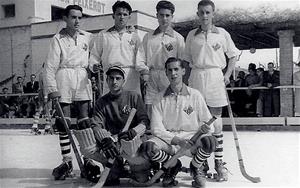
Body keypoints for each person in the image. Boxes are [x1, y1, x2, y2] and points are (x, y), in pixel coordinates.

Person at [183, 0, 240, 181]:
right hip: (196, 76)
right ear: (198, 14)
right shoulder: (192, 35)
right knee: (199, 123)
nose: (205, 16)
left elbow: (233, 55)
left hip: (216, 76)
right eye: (202, 12)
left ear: (213, 13)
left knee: (216, 122)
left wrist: (228, 74)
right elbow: (186, 61)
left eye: (208, 12)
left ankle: (219, 163)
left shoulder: (222, 33)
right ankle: (201, 163)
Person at [140, 57, 216, 188]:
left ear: (183, 71)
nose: (173, 73)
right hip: (169, 139)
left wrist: (205, 128)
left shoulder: (195, 95)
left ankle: (196, 167)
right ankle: (172, 166)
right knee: (148, 148)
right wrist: (176, 140)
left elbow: (209, 123)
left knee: (210, 142)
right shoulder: (158, 97)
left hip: (192, 138)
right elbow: (156, 129)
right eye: (170, 70)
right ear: (166, 73)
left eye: (176, 69)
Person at [73, 66, 152, 185]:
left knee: (141, 179)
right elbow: (96, 125)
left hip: (133, 142)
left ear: (123, 81)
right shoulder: (101, 102)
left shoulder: (134, 96)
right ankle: (115, 165)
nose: (114, 82)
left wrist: (135, 131)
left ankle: (143, 166)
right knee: (87, 148)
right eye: (111, 78)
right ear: (107, 80)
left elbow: (145, 121)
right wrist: (106, 139)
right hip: (114, 143)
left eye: (118, 78)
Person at [44, 5, 96, 180]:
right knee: (63, 122)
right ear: (65, 18)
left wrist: (94, 68)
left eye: (80, 17)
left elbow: (95, 57)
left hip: (81, 78)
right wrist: (52, 90)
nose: (77, 21)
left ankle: (88, 158)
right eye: (73, 17)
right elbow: (50, 67)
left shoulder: (87, 37)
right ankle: (67, 161)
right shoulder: (57, 39)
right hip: (64, 77)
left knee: (84, 122)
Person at [89, 1, 148, 96]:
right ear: (113, 16)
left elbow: (140, 57)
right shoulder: (103, 35)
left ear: (129, 16)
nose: (122, 17)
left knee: (131, 106)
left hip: (131, 77)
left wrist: (144, 71)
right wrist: (94, 65)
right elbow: (94, 55)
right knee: (110, 107)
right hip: (111, 76)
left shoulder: (134, 36)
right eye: (119, 14)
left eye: (125, 14)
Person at [141, 0, 185, 115]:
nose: (164, 18)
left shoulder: (178, 38)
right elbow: (141, 57)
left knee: (169, 104)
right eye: (161, 15)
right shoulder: (148, 37)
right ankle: (153, 130)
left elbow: (181, 60)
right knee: (151, 106)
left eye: (167, 15)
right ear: (157, 16)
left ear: (172, 17)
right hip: (152, 75)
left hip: (170, 75)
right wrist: (144, 72)